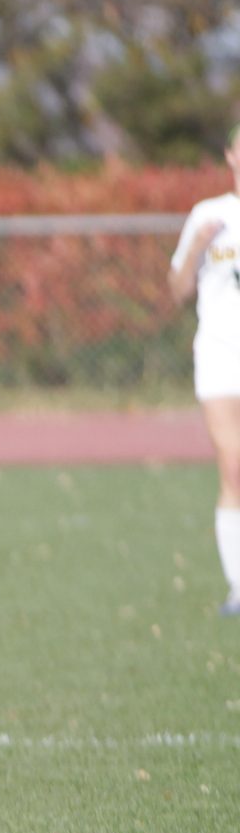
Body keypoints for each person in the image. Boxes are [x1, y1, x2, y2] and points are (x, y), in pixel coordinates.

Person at [169, 121, 240, 618]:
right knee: (233, 466)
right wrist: (197, 247)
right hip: (219, 353)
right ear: (231, 156)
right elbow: (177, 290)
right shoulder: (209, 214)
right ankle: (239, 588)